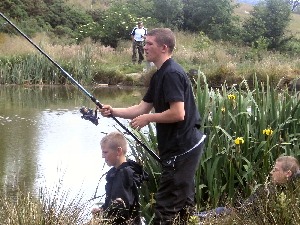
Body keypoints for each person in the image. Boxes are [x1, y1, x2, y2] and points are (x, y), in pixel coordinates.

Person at [100, 28, 206, 225]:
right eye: (145, 43)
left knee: (166, 206)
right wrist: (113, 111)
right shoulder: (159, 75)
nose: (144, 47)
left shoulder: (172, 74)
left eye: (149, 44)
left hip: (183, 148)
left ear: (163, 47)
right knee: (183, 206)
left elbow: (178, 113)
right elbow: (141, 108)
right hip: (179, 148)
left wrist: (148, 119)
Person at [198, 155, 300, 219]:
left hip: (238, 216)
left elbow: (247, 212)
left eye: (276, 170)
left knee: (218, 212)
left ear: (288, 173)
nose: (271, 172)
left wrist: (235, 213)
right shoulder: (278, 188)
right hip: (238, 212)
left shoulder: (278, 194)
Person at [91, 131, 148, 225]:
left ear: (118, 151)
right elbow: (113, 201)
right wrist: (102, 210)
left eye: (105, 152)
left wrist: (104, 216)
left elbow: (122, 208)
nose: (102, 156)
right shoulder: (119, 171)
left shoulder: (124, 173)